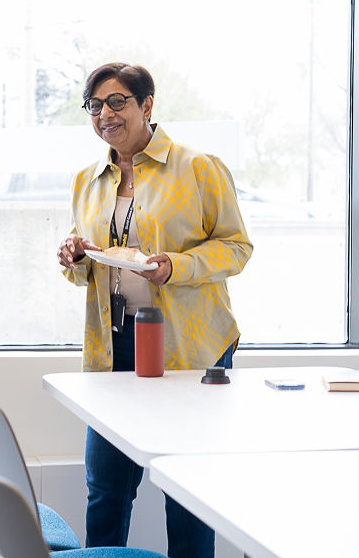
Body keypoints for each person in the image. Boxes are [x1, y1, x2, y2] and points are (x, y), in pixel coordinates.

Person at [57, 63, 252, 558]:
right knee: (106, 488)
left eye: (118, 101)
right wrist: (76, 260)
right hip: (115, 343)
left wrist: (176, 266)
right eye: (95, 105)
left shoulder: (198, 167)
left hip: (189, 344)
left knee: (187, 494)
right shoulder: (87, 179)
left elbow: (236, 248)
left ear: (147, 105)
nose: (105, 113)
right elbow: (92, 269)